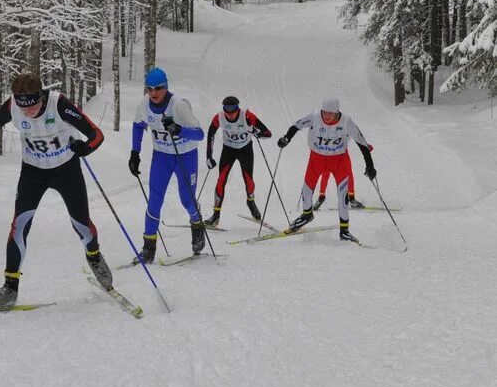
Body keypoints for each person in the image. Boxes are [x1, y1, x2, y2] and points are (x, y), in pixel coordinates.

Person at [0, 71, 112, 309]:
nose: (29, 112)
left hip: (66, 170)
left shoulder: (58, 104)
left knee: (81, 224)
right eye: (24, 108)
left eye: (32, 106)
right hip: (33, 172)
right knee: (19, 225)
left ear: (40, 97)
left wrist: (84, 149)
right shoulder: (13, 105)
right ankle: (9, 287)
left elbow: (97, 134)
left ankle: (94, 256)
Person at [128, 68, 205, 263]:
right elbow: (138, 126)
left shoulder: (178, 105)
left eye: (158, 89)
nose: (153, 93)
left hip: (185, 156)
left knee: (187, 200)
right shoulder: (145, 104)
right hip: (162, 156)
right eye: (149, 89)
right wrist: (134, 153)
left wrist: (179, 129)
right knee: (154, 201)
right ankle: (148, 249)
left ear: (166, 87)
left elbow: (199, 134)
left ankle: (197, 224)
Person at [276, 96, 376, 242]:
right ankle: (307, 215)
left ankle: (344, 230)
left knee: (343, 195)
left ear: (337, 112)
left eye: (331, 113)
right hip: (317, 159)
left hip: (338, 160)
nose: (327, 116)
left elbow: (362, 142)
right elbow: (296, 126)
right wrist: (286, 138)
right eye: (325, 112)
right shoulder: (315, 117)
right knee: (307, 189)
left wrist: (370, 165)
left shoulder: (346, 121)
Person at [204, 96, 272, 226]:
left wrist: (257, 132)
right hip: (228, 150)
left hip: (245, 150)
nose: (230, 114)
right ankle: (216, 215)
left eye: (233, 110)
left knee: (248, 179)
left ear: (238, 108)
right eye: (227, 110)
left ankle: (250, 202)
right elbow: (210, 134)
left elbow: (268, 133)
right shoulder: (219, 117)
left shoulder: (247, 116)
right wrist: (208, 157)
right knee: (221, 180)